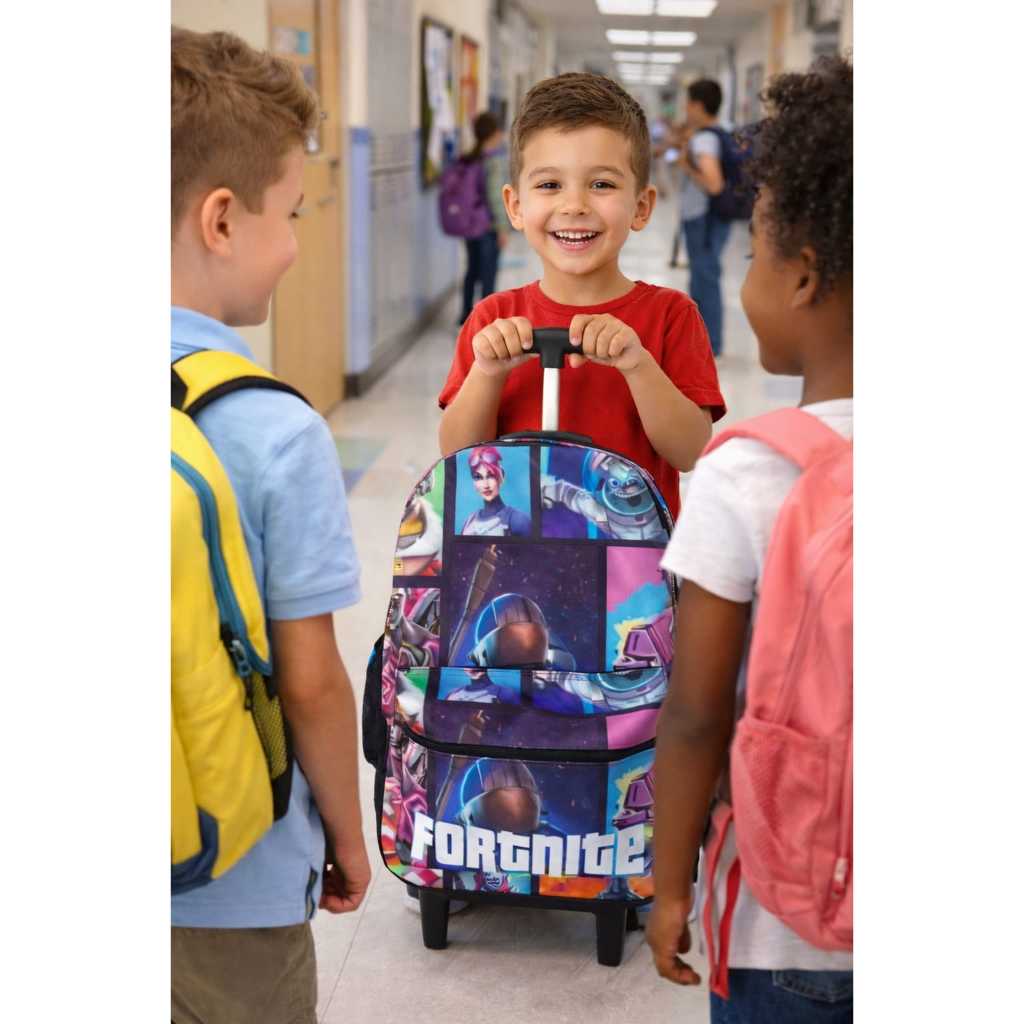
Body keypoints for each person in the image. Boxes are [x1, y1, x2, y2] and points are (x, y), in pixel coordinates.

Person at [646, 55, 854, 1023]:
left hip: (786, 929)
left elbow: (695, 716)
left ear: (802, 274)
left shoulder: (750, 474)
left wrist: (668, 888)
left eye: (755, 255)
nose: (745, 274)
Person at [170, 28, 370, 1024]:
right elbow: (311, 682)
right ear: (221, 219)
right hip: (233, 878)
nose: (294, 241)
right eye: (289, 211)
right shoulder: (273, 427)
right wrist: (348, 834)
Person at [438, 72, 726, 523]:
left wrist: (638, 365)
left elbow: (691, 451)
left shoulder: (672, 315)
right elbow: (458, 458)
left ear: (642, 207)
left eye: (602, 185)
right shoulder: (493, 318)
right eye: (549, 185)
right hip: (516, 551)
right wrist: (488, 373)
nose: (574, 205)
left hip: (632, 555)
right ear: (515, 206)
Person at [677, 79, 729, 357]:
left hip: (703, 218)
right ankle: (703, 341)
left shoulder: (704, 139)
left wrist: (687, 167)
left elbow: (714, 184)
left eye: (688, 103)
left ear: (698, 105)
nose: (686, 109)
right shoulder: (720, 132)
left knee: (705, 279)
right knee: (703, 277)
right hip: (710, 218)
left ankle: (710, 344)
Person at [459, 111, 510, 324]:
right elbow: (495, 196)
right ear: (494, 133)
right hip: (488, 227)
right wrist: (502, 228)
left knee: (472, 270)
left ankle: (465, 317)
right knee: (488, 274)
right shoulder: (494, 160)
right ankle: (485, 321)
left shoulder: (470, 157)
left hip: (470, 225)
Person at [461, 445, 530, 536]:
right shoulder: (469, 522)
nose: (485, 485)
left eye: (490, 476)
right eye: (478, 477)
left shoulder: (518, 520)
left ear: (501, 476)